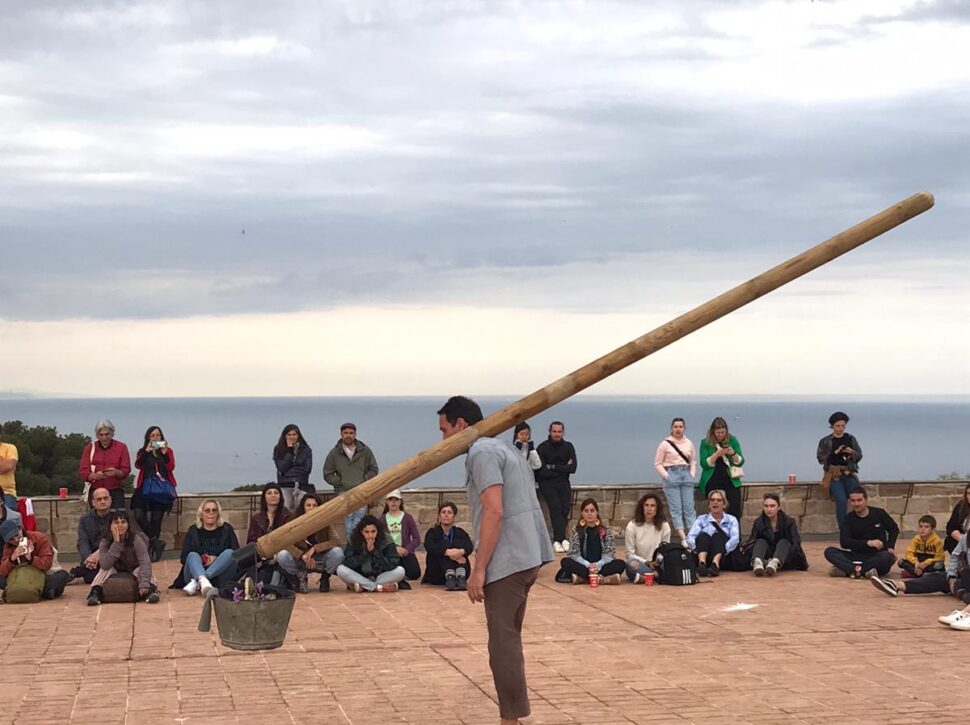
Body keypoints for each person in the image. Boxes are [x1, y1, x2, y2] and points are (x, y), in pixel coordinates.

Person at [437, 395, 554, 725]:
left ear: (461, 425)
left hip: (509, 560)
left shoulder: (481, 452)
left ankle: (512, 718)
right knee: (510, 639)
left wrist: (479, 569)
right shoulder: (505, 449)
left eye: (444, 430)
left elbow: (495, 510)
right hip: (527, 554)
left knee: (502, 643)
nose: (442, 439)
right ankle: (515, 715)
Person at [871, 523, 970, 603]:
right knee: (939, 577)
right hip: (963, 578)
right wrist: (951, 577)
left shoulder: (936, 540)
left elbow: (939, 557)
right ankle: (897, 586)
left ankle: (961, 592)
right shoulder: (965, 538)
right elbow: (955, 557)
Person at [86, 509, 160, 605]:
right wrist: (116, 543)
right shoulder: (105, 542)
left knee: (143, 568)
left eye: (123, 522)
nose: (120, 525)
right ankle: (95, 593)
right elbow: (104, 564)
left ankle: (150, 591)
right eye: (116, 522)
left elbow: (145, 561)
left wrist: (144, 583)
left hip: (133, 570)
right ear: (110, 526)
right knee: (105, 570)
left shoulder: (136, 539)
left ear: (128, 525)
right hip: (115, 571)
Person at [824, 486, 898, 579]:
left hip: (876, 556)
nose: (856, 503)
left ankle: (849, 571)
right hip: (856, 557)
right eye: (853, 501)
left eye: (859, 500)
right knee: (829, 551)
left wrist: (890, 546)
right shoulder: (848, 519)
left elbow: (894, 529)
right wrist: (868, 543)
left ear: (866, 500)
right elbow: (844, 542)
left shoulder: (879, 513)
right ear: (849, 502)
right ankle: (864, 571)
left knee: (888, 557)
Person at [277, 493, 344, 593]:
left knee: (338, 553)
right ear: (303, 507)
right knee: (282, 555)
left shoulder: (326, 521)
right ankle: (299, 577)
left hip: (319, 558)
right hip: (301, 559)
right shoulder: (295, 521)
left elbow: (336, 541)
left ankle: (325, 578)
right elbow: (285, 543)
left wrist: (315, 549)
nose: (311, 508)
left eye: (314, 505)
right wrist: (301, 555)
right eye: (308, 505)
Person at [170, 499, 240, 596]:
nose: (211, 513)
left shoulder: (227, 529)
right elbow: (184, 558)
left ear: (218, 514)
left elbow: (237, 554)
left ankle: (201, 580)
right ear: (201, 514)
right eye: (207, 510)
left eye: (214, 510)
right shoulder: (193, 530)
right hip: (193, 572)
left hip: (220, 574)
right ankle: (202, 580)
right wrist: (202, 559)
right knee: (192, 555)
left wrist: (217, 559)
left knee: (230, 553)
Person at [323, 422, 379, 540]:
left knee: (360, 524)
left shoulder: (365, 451)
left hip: (361, 492)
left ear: (355, 434)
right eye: (346, 433)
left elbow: (374, 469)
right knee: (348, 525)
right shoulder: (334, 453)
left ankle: (359, 550)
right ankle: (352, 551)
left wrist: (364, 480)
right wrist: (339, 482)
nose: (348, 435)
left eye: (351, 433)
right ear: (341, 434)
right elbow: (327, 473)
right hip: (343, 492)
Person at [132, 425, 176, 562]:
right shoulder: (143, 451)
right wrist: (147, 451)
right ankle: (155, 541)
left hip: (161, 488)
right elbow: (138, 465)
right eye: (152, 436)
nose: (155, 438)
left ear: (162, 437)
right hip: (145, 487)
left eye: (158, 435)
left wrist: (164, 452)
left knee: (156, 519)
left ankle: (154, 551)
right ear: (148, 438)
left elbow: (171, 467)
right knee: (138, 515)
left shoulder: (168, 452)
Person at [556, 498, 625, 585]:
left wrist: (598, 565)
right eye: (586, 511)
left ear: (597, 512)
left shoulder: (605, 529)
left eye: (592, 511)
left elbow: (609, 553)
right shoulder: (576, 530)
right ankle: (601, 579)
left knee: (620, 564)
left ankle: (583, 578)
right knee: (565, 562)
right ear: (582, 513)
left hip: (601, 565)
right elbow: (574, 554)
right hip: (583, 565)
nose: (589, 514)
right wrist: (587, 565)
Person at [0, 519, 69, 601]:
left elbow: (47, 564)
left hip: (40, 575)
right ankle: (33, 592)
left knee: (62, 575)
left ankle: (35, 591)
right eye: (11, 539)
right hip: (19, 578)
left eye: (16, 535)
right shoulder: (8, 547)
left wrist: (31, 559)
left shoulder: (40, 538)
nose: (16, 540)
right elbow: (2, 571)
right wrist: (12, 559)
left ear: (20, 529)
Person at [535, 421, 577, 553]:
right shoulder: (542, 447)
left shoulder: (568, 447)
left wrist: (552, 466)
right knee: (555, 508)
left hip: (563, 482)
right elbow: (541, 470)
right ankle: (558, 539)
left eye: (559, 432)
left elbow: (573, 468)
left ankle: (562, 539)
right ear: (550, 432)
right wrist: (563, 468)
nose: (557, 434)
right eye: (554, 431)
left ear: (563, 432)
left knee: (565, 509)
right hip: (547, 484)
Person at [335, 515, 405, 592]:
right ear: (362, 531)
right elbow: (349, 563)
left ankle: (364, 586)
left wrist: (375, 552)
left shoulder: (387, 539)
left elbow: (392, 564)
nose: (370, 535)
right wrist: (365, 552)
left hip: (380, 576)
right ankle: (376, 587)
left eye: (373, 531)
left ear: (377, 530)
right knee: (340, 569)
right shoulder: (353, 539)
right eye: (367, 532)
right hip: (360, 576)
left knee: (400, 571)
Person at [816, 411, 863, 529]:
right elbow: (820, 459)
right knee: (841, 500)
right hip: (834, 474)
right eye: (838, 426)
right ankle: (844, 529)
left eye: (843, 426)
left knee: (857, 497)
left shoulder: (851, 438)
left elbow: (859, 456)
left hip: (848, 472)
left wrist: (851, 452)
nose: (840, 428)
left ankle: (859, 526)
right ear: (832, 426)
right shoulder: (825, 441)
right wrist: (834, 453)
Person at [654, 417, 697, 543]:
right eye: (676, 427)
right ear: (671, 428)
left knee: (689, 507)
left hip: (685, 473)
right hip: (671, 473)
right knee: (676, 508)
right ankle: (683, 537)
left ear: (684, 428)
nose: (678, 429)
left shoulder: (689, 443)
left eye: (680, 427)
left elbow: (693, 460)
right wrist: (667, 476)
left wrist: (692, 474)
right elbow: (657, 463)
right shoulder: (665, 444)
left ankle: (692, 535)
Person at [747, 493, 808, 576]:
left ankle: (775, 563)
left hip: (785, 555)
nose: (769, 509)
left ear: (778, 507)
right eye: (766, 506)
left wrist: (786, 556)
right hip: (767, 555)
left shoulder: (789, 521)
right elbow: (752, 542)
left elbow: (796, 543)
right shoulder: (758, 522)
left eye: (772, 506)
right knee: (760, 541)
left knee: (784, 542)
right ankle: (758, 562)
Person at [699, 417, 745, 526]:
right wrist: (716, 454)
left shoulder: (732, 440)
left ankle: (735, 538)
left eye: (723, 432)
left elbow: (741, 461)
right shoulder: (705, 443)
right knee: (715, 510)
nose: (720, 435)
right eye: (718, 432)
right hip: (713, 479)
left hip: (730, 479)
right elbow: (704, 464)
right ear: (713, 432)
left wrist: (732, 453)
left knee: (734, 509)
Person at [78, 419, 131, 510]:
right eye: (101, 435)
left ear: (112, 434)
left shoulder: (121, 447)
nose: (104, 438)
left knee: (117, 519)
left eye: (107, 434)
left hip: (115, 490)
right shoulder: (89, 448)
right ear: (97, 435)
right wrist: (93, 476)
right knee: (97, 520)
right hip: (96, 490)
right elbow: (83, 471)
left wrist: (116, 473)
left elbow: (126, 469)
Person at [686, 489, 740, 577]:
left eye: (719, 500)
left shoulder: (731, 519)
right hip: (704, 553)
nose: (715, 502)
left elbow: (735, 538)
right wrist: (696, 548)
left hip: (723, 556)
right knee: (703, 536)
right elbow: (690, 537)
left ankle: (715, 564)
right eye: (712, 500)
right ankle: (702, 564)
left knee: (717, 536)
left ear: (724, 504)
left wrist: (723, 549)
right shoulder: (701, 519)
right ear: (709, 504)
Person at [422, 501, 474, 591]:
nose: (446, 515)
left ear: (454, 517)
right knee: (443, 545)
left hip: (460, 571)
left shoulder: (460, 532)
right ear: (439, 516)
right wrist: (448, 552)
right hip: (438, 573)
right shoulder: (432, 532)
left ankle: (460, 576)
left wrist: (460, 552)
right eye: (443, 512)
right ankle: (450, 576)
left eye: (449, 513)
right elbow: (429, 546)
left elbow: (469, 546)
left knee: (459, 543)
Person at [70, 485, 114, 585]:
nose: (103, 501)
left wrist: (98, 554)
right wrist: (88, 558)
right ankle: (84, 568)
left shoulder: (118, 519)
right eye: (99, 499)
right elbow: (83, 542)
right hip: (91, 559)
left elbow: (115, 541)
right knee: (90, 577)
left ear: (110, 500)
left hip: (110, 556)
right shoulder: (85, 519)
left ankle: (77, 572)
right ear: (93, 502)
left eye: (105, 498)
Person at [624, 493, 672, 583]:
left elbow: (665, 550)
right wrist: (646, 562)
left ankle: (645, 577)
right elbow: (630, 554)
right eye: (646, 505)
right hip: (641, 564)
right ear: (642, 507)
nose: (649, 509)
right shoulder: (632, 526)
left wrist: (657, 562)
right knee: (630, 564)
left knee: (671, 563)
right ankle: (655, 575)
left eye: (652, 506)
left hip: (658, 564)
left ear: (657, 509)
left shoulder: (664, 526)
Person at [382, 489, 421, 587]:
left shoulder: (408, 518)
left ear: (400, 501)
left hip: (405, 552)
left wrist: (407, 549)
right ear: (387, 502)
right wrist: (394, 548)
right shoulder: (382, 520)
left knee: (415, 573)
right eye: (391, 499)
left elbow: (417, 538)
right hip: (390, 553)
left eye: (396, 499)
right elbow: (380, 540)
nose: (393, 502)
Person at [273, 424, 314, 512]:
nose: (291, 437)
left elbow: (307, 470)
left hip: (301, 485)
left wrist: (287, 473)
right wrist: (290, 451)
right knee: (284, 510)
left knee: (302, 510)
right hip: (285, 485)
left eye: (294, 434)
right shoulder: (278, 449)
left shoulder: (306, 450)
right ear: (285, 436)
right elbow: (282, 468)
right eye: (289, 435)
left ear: (298, 435)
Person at [944, 483, 970, 554]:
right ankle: (961, 563)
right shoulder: (961, 507)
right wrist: (962, 540)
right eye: (968, 493)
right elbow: (950, 527)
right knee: (949, 540)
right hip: (964, 539)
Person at [0, 424, 19, 510]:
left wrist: (6, 466)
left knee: (7, 517)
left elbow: (9, 466)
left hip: (6, 492)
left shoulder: (10, 448)